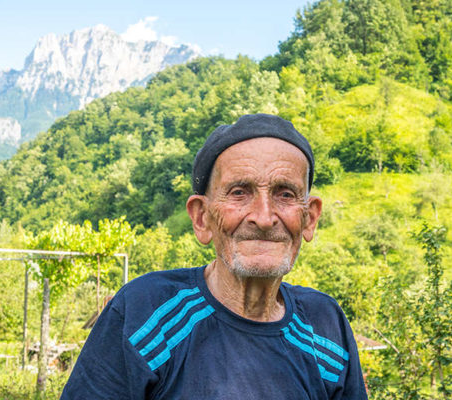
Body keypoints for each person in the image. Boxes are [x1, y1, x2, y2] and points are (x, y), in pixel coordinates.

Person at [61, 114, 368, 399]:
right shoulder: (143, 314)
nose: (263, 217)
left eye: (285, 194)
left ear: (309, 219)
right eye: (239, 192)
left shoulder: (326, 326)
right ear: (202, 218)